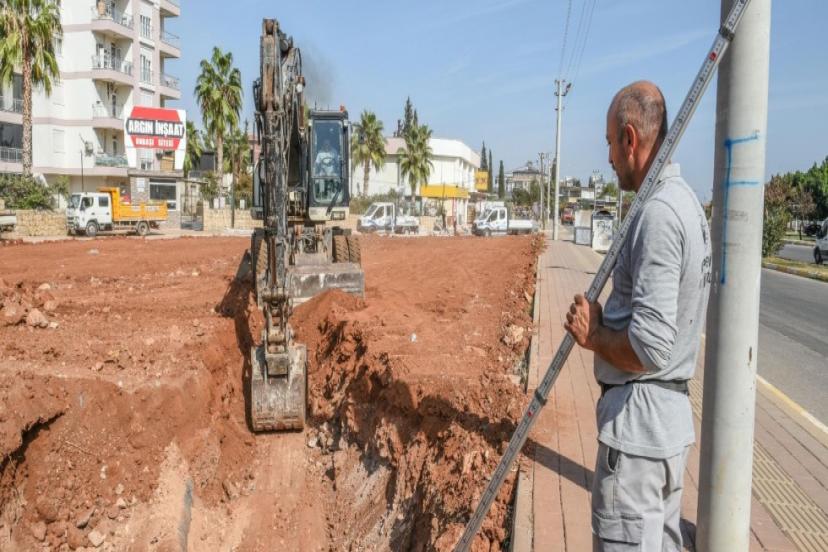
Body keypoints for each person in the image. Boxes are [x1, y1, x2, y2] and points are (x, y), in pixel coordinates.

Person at [564, 81, 712, 551]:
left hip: (637, 440)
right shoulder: (685, 204)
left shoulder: (659, 215)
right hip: (661, 432)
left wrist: (594, 336)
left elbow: (648, 347)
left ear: (630, 139)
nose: (608, 157)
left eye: (610, 143)